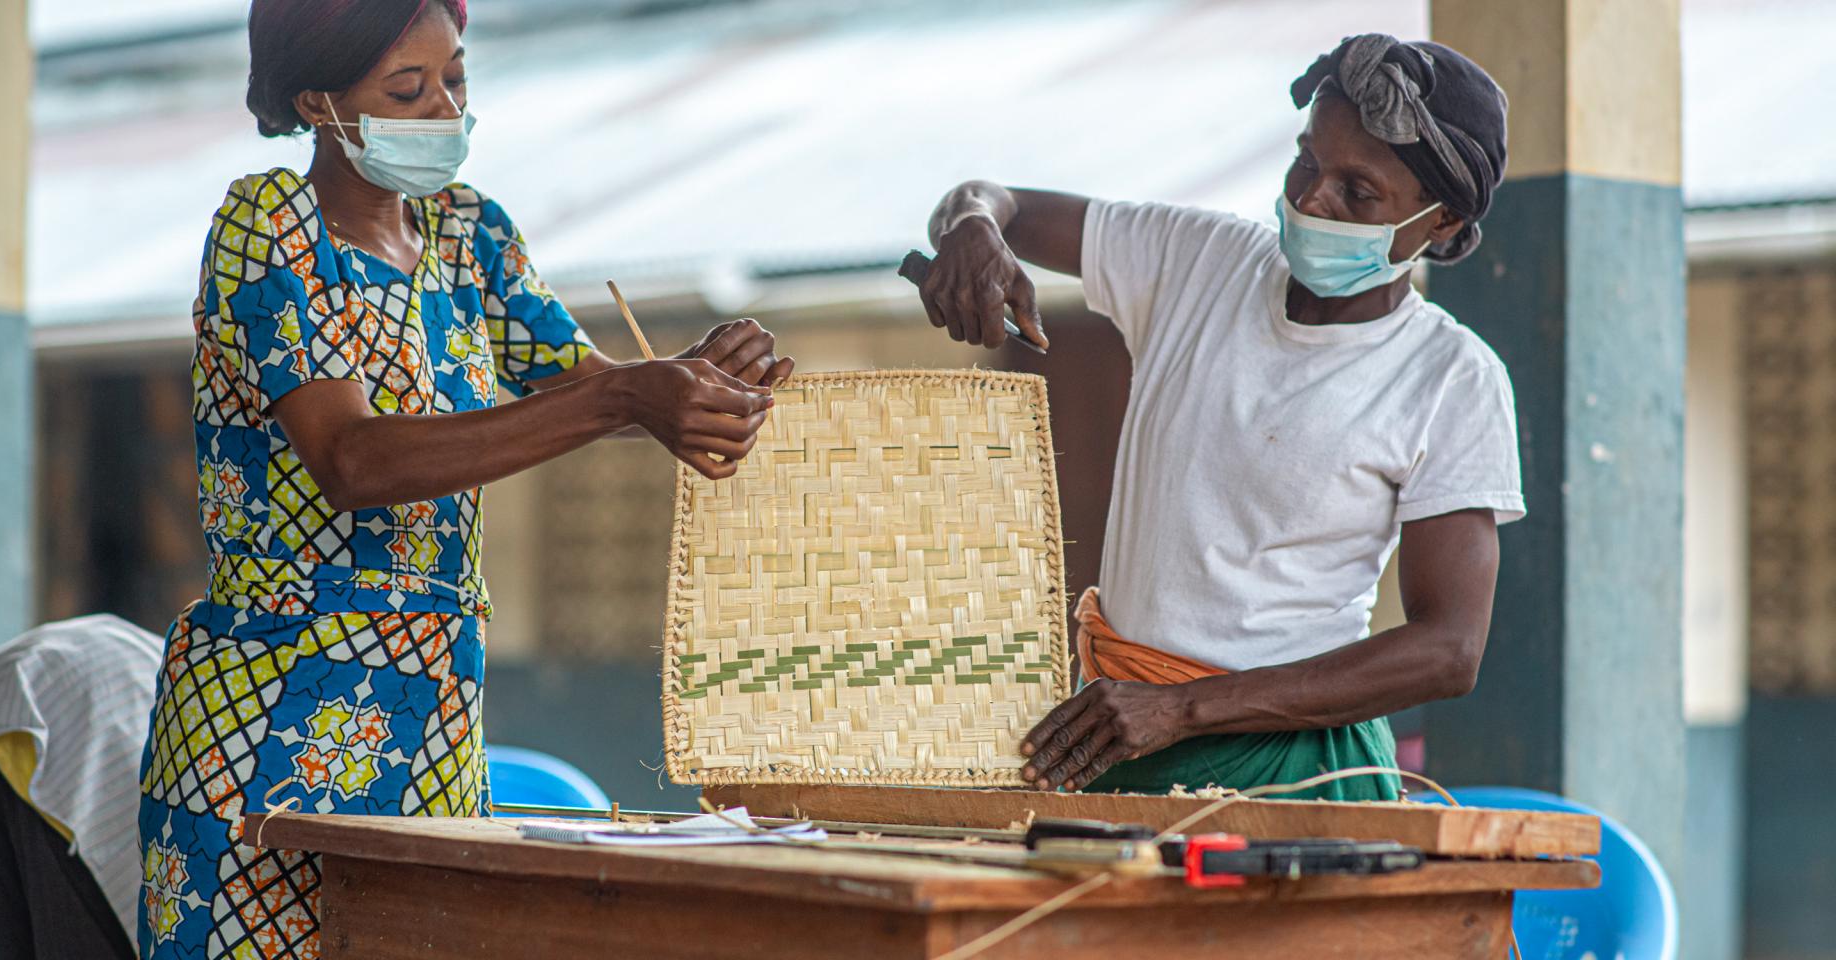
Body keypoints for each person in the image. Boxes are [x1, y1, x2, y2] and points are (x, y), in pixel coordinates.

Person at [136, 2, 790, 956]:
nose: (444, 111)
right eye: (409, 90)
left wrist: (689, 375)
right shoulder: (267, 228)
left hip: (435, 705)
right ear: (319, 101)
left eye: (457, 81)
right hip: (267, 715)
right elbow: (354, 461)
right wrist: (626, 403)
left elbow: (584, 391)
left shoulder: (470, 234)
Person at [913, 34, 1522, 801]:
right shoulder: (1201, 262)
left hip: (1290, 769)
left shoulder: (1449, 378)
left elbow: (1448, 650)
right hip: (1113, 735)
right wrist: (973, 229)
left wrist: (1184, 709)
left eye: (1357, 193)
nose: (1310, 199)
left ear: (1440, 223)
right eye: (1306, 162)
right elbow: (995, 201)